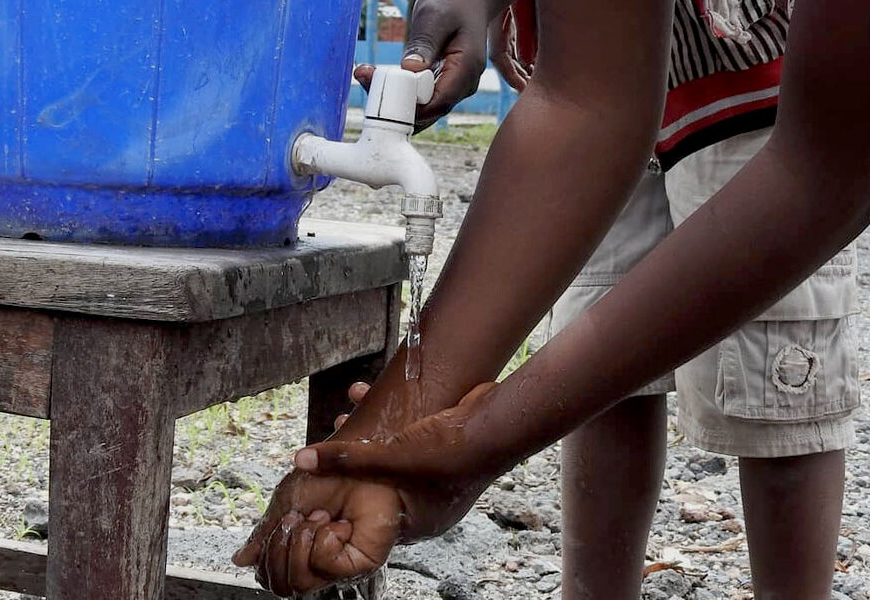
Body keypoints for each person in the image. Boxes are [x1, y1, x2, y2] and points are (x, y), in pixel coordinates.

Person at [231, 0, 870, 598]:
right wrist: (386, 444)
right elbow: (588, 104)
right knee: (598, 320)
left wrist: (483, 440)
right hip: (648, 89)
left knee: (776, 378)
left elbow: (831, 161)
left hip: (757, 79)